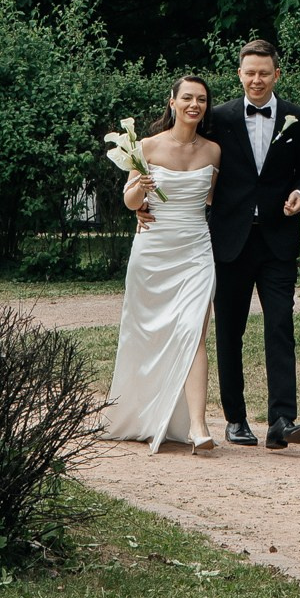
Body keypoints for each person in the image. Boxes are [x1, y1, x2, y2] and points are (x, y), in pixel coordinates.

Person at [203, 39, 300, 449]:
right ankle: (235, 419)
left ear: (276, 75)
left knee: (280, 326)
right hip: (230, 241)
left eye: (264, 73)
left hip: (277, 241)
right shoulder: (218, 117)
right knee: (229, 330)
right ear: (240, 74)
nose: (256, 79)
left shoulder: (298, 119)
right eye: (250, 72)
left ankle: (282, 420)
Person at [102, 74, 220, 452]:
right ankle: (143, 413)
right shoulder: (146, 147)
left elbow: (212, 202)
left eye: (201, 99)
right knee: (146, 332)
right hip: (153, 250)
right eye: (187, 98)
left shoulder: (213, 152)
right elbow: (131, 202)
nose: (194, 105)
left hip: (196, 251)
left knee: (194, 332)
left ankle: (199, 427)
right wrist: (141, 190)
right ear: (172, 102)